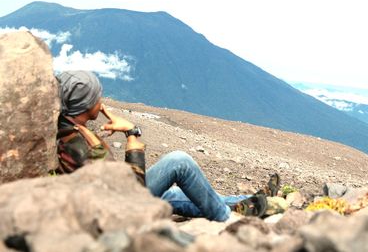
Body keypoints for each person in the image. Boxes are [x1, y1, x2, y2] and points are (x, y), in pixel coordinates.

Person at [55, 70, 280, 222]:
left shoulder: (67, 127)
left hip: (102, 199)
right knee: (178, 162)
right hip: (119, 212)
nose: (101, 102)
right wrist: (132, 135)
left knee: (172, 194)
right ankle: (227, 218)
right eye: (97, 97)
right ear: (84, 104)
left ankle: (247, 204)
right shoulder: (84, 147)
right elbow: (131, 194)